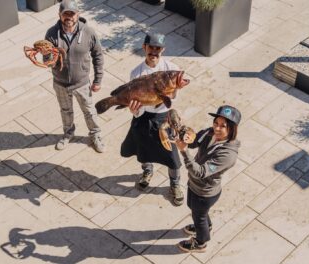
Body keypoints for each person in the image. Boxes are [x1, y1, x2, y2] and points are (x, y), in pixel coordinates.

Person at [120, 32, 184, 206]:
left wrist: (174, 92)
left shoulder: (171, 68)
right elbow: (135, 101)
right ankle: (147, 171)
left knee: (172, 155)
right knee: (143, 148)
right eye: (151, 48)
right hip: (143, 117)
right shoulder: (136, 72)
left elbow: (174, 98)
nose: (154, 52)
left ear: (163, 50)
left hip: (164, 118)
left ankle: (175, 184)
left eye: (158, 48)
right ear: (144, 47)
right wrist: (135, 111)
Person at [175, 105, 241, 253]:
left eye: (223, 126)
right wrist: (183, 133)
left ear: (232, 128)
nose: (217, 128)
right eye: (216, 123)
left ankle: (200, 242)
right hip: (194, 185)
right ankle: (206, 225)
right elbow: (193, 141)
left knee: (198, 216)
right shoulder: (209, 133)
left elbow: (201, 172)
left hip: (205, 192)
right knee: (195, 210)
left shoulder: (228, 155)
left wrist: (184, 152)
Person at [44, 0, 105, 152]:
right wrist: (47, 57)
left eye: (72, 14)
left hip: (82, 83)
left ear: (78, 15)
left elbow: (98, 55)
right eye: (65, 14)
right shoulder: (51, 34)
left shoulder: (89, 33)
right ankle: (68, 133)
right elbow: (47, 62)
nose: (69, 17)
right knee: (65, 111)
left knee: (89, 111)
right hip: (60, 83)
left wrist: (98, 80)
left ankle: (96, 135)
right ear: (60, 15)